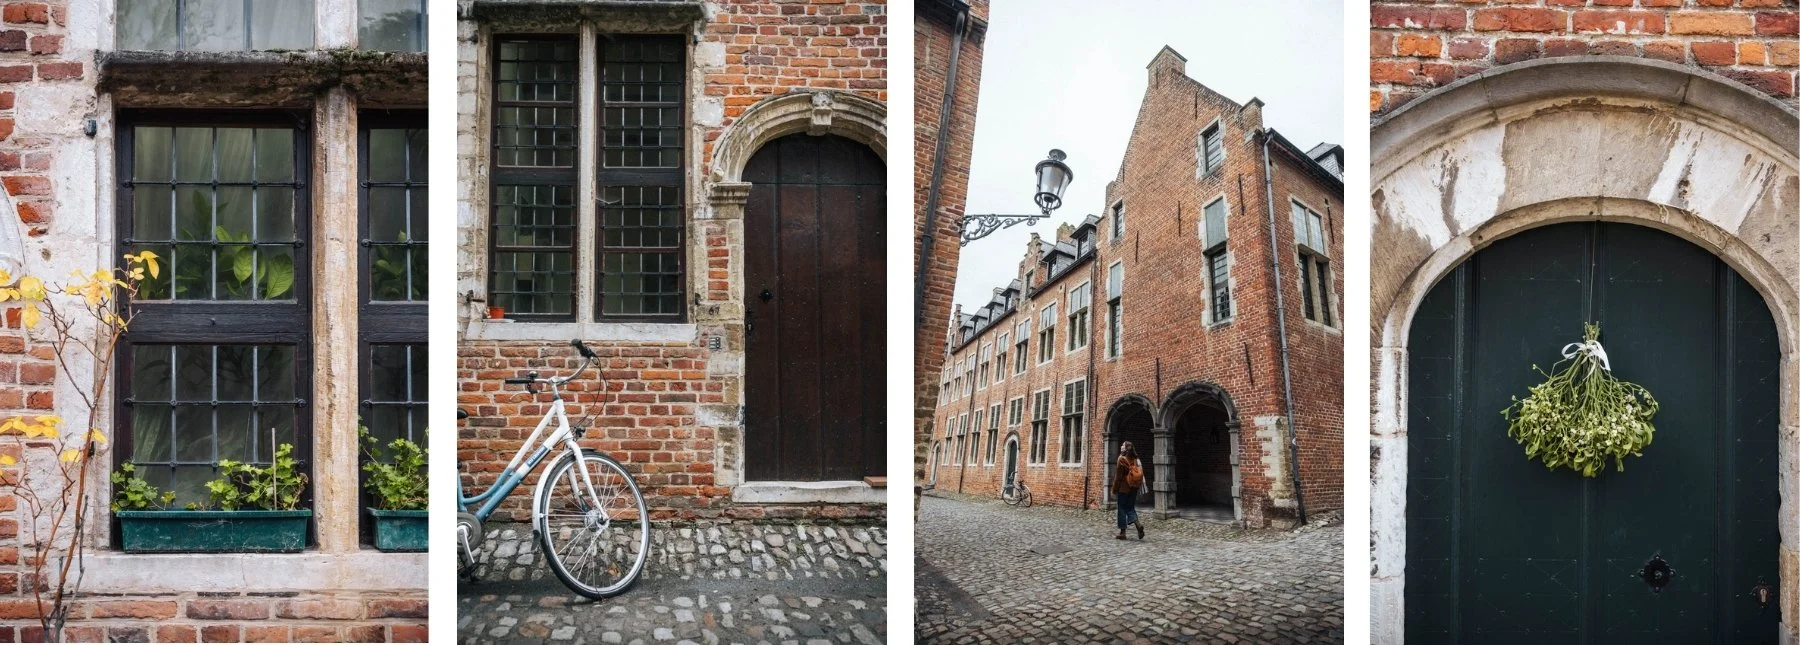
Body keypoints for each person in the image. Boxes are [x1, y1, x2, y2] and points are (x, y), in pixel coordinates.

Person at [1114, 442, 1145, 540]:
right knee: (1130, 507)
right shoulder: (1136, 459)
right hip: (1134, 487)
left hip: (1123, 487)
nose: (1121, 446)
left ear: (1126, 448)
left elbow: (1118, 477)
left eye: (1123, 445)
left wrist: (1115, 488)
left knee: (1122, 508)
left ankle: (1122, 533)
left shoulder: (1121, 459)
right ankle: (1138, 525)